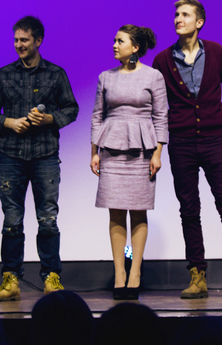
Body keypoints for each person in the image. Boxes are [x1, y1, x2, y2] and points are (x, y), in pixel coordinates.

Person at [152, 0, 222, 299]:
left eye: (185, 14)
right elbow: (158, 105)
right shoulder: (163, 60)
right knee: (189, 209)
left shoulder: (215, 52)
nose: (178, 19)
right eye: (176, 14)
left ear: (199, 22)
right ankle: (197, 275)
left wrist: (217, 114)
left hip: (214, 140)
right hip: (181, 143)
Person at [0, 16, 79, 301]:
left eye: (24, 40)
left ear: (38, 40)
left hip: (45, 155)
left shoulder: (56, 74)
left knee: (48, 219)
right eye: (15, 40)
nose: (18, 45)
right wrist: (9, 122)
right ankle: (10, 278)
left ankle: (51, 277)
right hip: (11, 156)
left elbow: (71, 108)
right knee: (12, 220)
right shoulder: (3, 74)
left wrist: (50, 119)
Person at [91, 25, 168, 300]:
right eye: (114, 40)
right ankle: (119, 273)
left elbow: (161, 116)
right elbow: (97, 115)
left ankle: (135, 272)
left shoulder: (153, 76)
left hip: (142, 150)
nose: (114, 44)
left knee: (138, 211)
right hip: (111, 149)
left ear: (135, 47)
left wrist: (158, 152)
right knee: (115, 212)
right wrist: (94, 151)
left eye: (120, 41)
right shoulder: (105, 77)